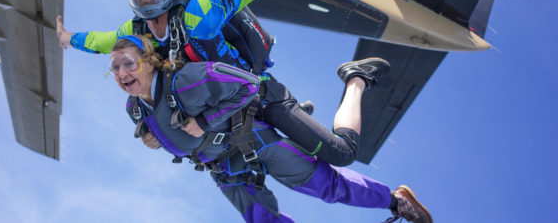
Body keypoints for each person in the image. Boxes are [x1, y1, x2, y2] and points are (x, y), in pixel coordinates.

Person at [56, 0, 367, 167]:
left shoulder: (199, 10)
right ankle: (301, 115)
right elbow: (98, 42)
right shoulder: (135, 32)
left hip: (259, 97)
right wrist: (68, 38)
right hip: (223, 118)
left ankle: (357, 78)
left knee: (340, 154)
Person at [108, 35, 432, 223]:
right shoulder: (133, 109)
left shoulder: (187, 79)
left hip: (256, 140)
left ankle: (357, 81)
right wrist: (156, 140)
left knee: (331, 180)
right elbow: (176, 134)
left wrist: (204, 123)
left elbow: (249, 86)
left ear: (150, 61)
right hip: (226, 171)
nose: (121, 72)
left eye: (128, 62)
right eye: (115, 67)